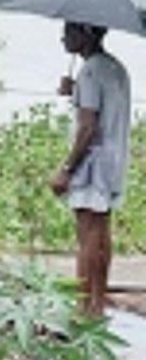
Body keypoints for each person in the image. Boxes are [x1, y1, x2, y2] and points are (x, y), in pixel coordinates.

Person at [50, 21, 131, 317]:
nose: (63, 38)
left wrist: (67, 169)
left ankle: (83, 306)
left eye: (69, 31)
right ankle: (97, 300)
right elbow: (102, 107)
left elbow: (87, 127)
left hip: (92, 162)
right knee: (101, 231)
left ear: (86, 35)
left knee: (86, 235)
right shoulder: (114, 67)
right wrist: (75, 92)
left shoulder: (90, 70)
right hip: (114, 159)